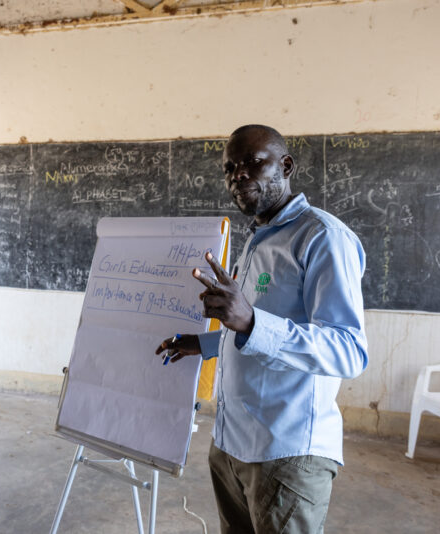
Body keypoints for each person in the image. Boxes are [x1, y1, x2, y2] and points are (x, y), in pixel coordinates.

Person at [156, 125, 368, 533]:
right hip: (231, 443)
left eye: (254, 163)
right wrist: (204, 343)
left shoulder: (322, 238)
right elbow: (252, 334)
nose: (239, 175)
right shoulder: (255, 238)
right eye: (230, 167)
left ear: (285, 166)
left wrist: (251, 320)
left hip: (286, 452)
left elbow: (349, 351)